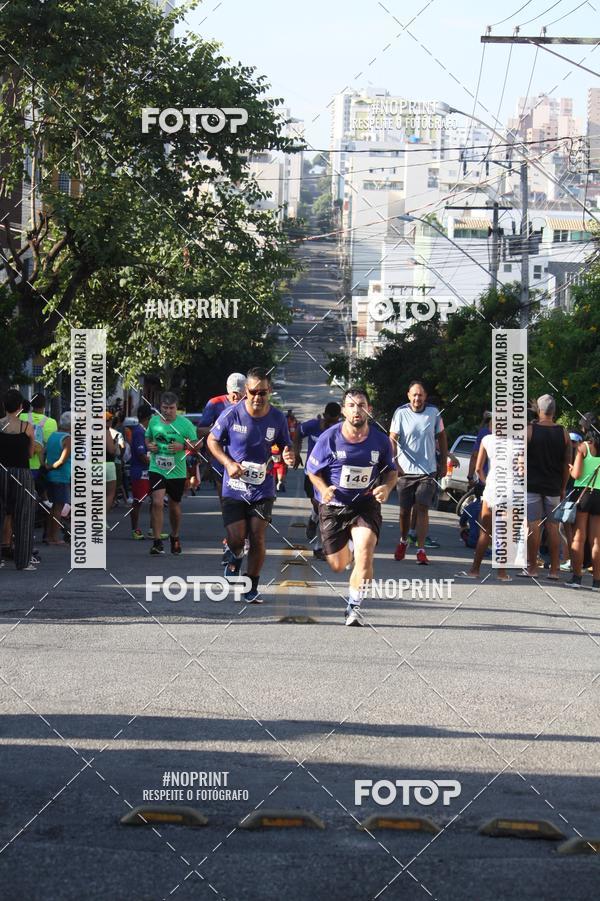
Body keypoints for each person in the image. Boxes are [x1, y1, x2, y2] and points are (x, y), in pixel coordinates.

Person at [306, 386, 397, 627]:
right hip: (335, 506)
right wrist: (324, 489)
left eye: (361, 405)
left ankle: (354, 606)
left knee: (365, 551)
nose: (357, 410)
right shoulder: (330, 438)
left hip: (365, 503)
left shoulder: (380, 440)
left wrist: (386, 488)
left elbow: (392, 472)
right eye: (352, 405)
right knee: (338, 565)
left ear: (369, 409)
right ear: (344, 411)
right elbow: (312, 471)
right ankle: (346, 546)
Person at [207, 367, 295, 603]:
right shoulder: (231, 414)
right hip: (234, 487)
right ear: (246, 391)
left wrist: (288, 455)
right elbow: (211, 440)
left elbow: (286, 445)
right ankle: (234, 555)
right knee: (237, 538)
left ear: (270, 391)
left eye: (263, 392)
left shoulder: (277, 418)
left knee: (257, 536)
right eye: (253, 392)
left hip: (262, 488)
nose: (257, 397)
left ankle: (251, 584)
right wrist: (227, 463)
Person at [390, 381, 447, 565]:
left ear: (425, 396)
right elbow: (392, 439)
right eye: (414, 395)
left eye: (420, 395)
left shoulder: (434, 413)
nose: (417, 398)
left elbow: (442, 436)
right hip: (405, 471)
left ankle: (421, 550)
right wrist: (395, 463)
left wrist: (443, 461)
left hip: (427, 471)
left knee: (422, 508)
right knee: (404, 512)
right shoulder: (401, 413)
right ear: (408, 395)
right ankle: (403, 541)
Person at [198, 372, 246, 559]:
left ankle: (243, 536)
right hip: (221, 462)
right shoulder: (215, 403)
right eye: (233, 394)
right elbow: (201, 428)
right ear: (228, 391)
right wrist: (221, 431)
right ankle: (232, 537)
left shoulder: (251, 405)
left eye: (240, 394)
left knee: (246, 501)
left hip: (245, 463)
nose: (236, 398)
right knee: (227, 501)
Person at [456, 424, 512, 582]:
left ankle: (475, 570)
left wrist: (486, 482)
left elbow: (479, 468)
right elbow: (522, 469)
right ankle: (502, 573)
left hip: (492, 488)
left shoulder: (487, 440)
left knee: (485, 531)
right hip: (509, 489)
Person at [523, 394, 571, 580]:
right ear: (554, 411)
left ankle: (533, 567)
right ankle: (553, 570)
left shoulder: (529, 430)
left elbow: (520, 459)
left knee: (533, 526)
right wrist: (562, 487)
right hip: (554, 487)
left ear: (539, 410)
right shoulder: (564, 433)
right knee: (553, 527)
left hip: (532, 485)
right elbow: (567, 464)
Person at [145, 391, 198, 555]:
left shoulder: (185, 424)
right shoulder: (154, 422)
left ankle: (174, 536)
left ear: (177, 408)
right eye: (164, 408)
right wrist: (149, 446)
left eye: (171, 408)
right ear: (160, 407)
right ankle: (157, 541)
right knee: (157, 502)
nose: (167, 411)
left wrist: (183, 447)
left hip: (177, 470)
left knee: (174, 505)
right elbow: (148, 438)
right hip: (157, 468)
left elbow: (196, 445)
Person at [294, 402, 342, 559]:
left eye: (335, 421)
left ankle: (319, 547)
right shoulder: (313, 425)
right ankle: (313, 519)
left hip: (331, 476)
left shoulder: (341, 429)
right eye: (330, 420)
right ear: (325, 414)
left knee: (324, 508)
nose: (332, 424)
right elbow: (297, 433)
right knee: (317, 504)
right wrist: (296, 453)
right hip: (312, 474)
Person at [0, 389, 36, 570]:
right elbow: (30, 453)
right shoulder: (27, 427)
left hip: (1, 471)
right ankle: (23, 561)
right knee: (24, 515)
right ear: (21, 407)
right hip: (22, 473)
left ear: (3, 406)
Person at [566, 417, 600, 590]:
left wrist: (571, 469)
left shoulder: (583, 447)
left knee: (579, 536)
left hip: (584, 494)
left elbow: (577, 475)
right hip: (599, 495)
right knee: (597, 540)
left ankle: (577, 577)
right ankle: (597, 582)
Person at [45, 412, 72, 546]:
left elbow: (45, 452)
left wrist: (46, 467)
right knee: (58, 508)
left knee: (54, 507)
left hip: (50, 476)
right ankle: (54, 537)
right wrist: (51, 467)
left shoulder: (52, 436)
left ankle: (50, 535)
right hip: (61, 476)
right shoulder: (67, 438)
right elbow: (62, 460)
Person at [129, 403, 154, 540]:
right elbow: (142, 455)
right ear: (148, 417)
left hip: (149, 471)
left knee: (155, 500)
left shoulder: (146, 430)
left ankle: (153, 529)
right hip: (140, 472)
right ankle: (135, 529)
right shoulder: (139, 431)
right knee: (138, 501)